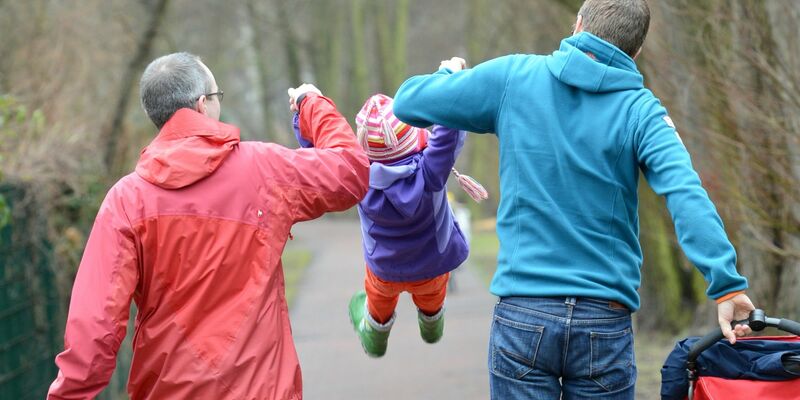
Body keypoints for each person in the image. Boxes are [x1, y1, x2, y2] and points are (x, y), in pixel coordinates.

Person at [392, 0, 755, 398]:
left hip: (524, 314)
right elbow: (686, 193)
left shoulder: (513, 77)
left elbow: (409, 102)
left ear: (578, 24)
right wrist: (726, 285)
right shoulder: (642, 112)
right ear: (636, 51)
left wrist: (450, 73)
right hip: (604, 320)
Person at [47, 52, 369, 400]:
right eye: (217, 96)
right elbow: (350, 172)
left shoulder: (125, 201)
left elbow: (94, 329)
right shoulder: (262, 169)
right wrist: (312, 105)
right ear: (202, 105)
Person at [300, 93, 485, 357]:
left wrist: (303, 113)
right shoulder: (431, 171)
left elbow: (318, 156)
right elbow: (449, 131)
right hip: (433, 266)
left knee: (378, 300)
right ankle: (432, 324)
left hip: (383, 271)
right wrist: (450, 75)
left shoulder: (357, 179)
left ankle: (375, 336)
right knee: (432, 295)